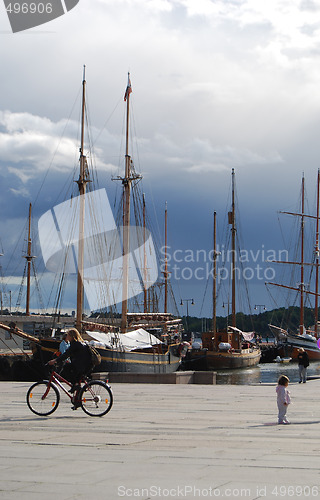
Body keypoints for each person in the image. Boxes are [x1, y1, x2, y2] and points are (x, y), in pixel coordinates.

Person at [48, 328, 93, 409]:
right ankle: (77, 400)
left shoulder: (75, 344)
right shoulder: (79, 343)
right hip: (86, 366)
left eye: (68, 335)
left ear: (72, 336)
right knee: (73, 375)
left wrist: (55, 361)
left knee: (66, 369)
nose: (67, 336)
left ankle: (75, 386)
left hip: (81, 366)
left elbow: (66, 354)